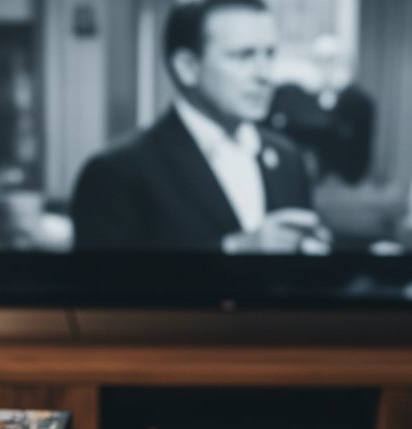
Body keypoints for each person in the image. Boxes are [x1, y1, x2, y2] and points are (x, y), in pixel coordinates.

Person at [71, 0, 328, 252]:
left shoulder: (287, 158)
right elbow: (108, 286)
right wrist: (235, 250)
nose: (264, 74)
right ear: (188, 67)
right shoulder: (117, 171)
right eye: (243, 56)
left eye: (270, 54)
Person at [266, 34, 375, 186]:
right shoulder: (292, 95)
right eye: (319, 60)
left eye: (331, 60)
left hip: (341, 183)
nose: (325, 66)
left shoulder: (356, 101)